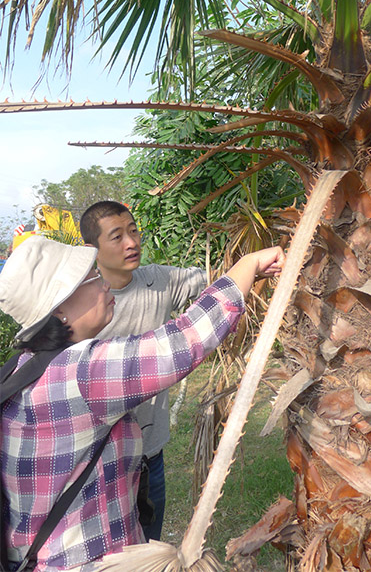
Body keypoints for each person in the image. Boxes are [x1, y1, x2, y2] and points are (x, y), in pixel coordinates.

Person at [0, 235, 284, 572]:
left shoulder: (22, 369)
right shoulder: (77, 373)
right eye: (92, 277)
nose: (105, 284)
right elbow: (183, 340)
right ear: (59, 309)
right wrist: (249, 263)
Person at [79, 201, 206, 541]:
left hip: (150, 453)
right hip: (97, 460)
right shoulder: (81, 303)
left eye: (133, 231)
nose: (131, 242)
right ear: (92, 249)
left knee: (149, 545)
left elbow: (215, 277)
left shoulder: (158, 280)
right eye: (117, 236)